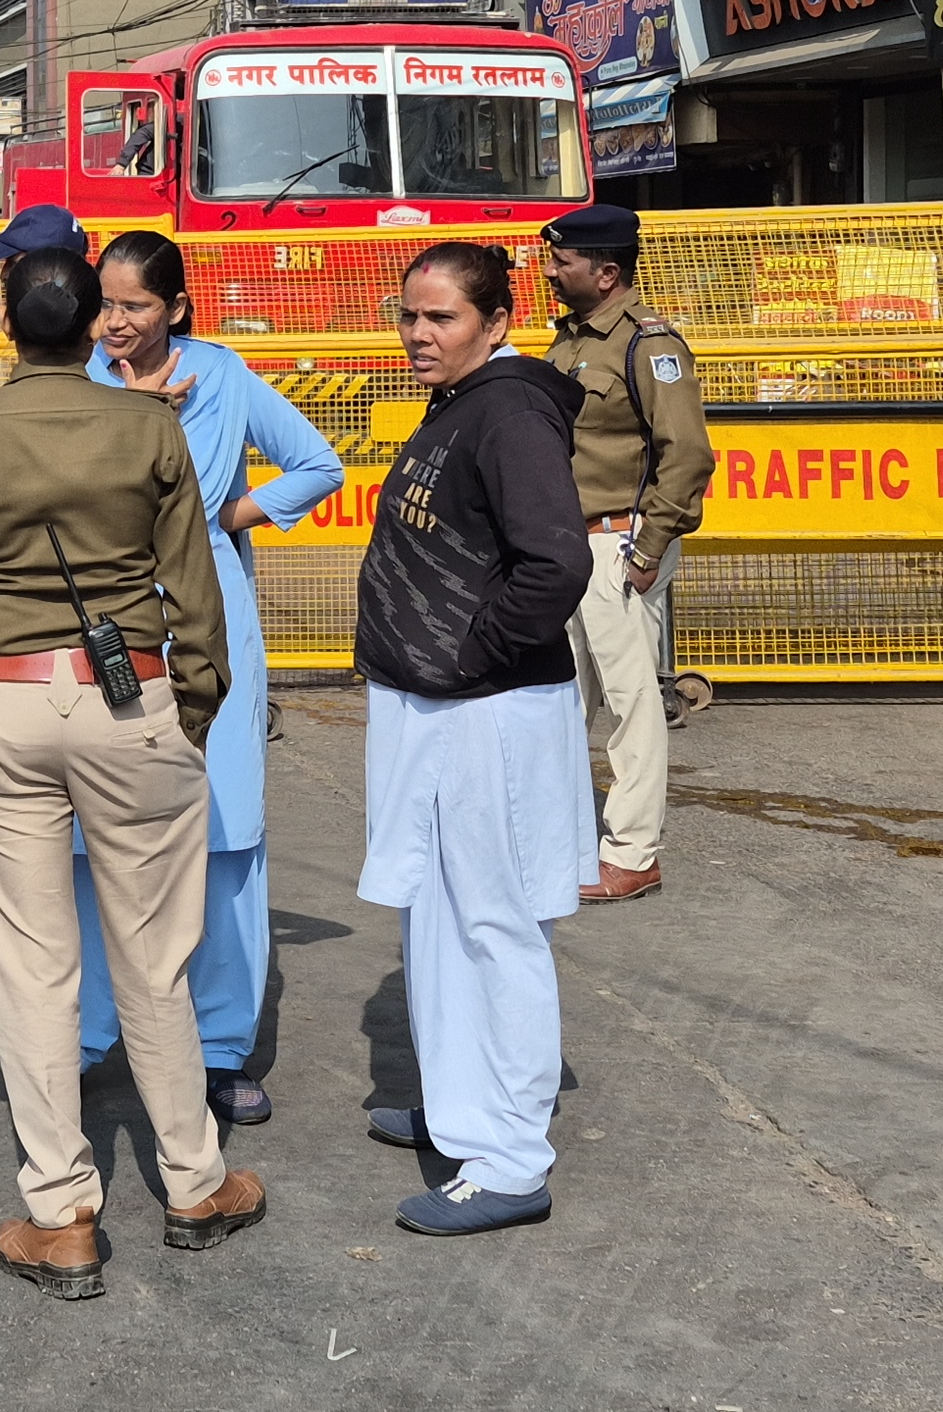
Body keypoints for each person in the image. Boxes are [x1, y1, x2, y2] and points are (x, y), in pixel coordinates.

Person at [0, 244, 260, 1297]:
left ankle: (60, 1212)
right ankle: (193, 1183)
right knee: (155, 954)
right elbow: (192, 585)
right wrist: (185, 711)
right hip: (131, 698)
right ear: (89, 323)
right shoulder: (151, 423)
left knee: (30, 966)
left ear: (7, 324)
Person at [78, 229, 345, 1126]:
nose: (116, 323)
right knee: (93, 836)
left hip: (211, 622)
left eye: (136, 307)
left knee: (228, 833)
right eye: (107, 304)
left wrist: (237, 511)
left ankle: (223, 1048)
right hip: (105, 628)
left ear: (177, 310)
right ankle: (87, 1033)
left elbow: (318, 463)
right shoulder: (81, 384)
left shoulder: (223, 377)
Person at [358, 239, 595, 1237]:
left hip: (485, 710)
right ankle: (463, 1107)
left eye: (442, 316)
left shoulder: (507, 411)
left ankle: (506, 1157)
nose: (419, 332)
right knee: (437, 917)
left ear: (497, 320)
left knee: (492, 926)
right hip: (438, 706)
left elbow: (556, 562)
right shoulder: (461, 400)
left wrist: (468, 654)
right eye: (409, 313)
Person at [538, 203, 712, 904]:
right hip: (568, 546)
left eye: (563, 262)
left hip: (619, 543)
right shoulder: (572, 340)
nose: (550, 271)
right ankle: (567, 840)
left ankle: (634, 853)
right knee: (561, 700)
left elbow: (688, 454)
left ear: (607, 273)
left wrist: (647, 549)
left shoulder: (650, 344)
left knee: (633, 706)